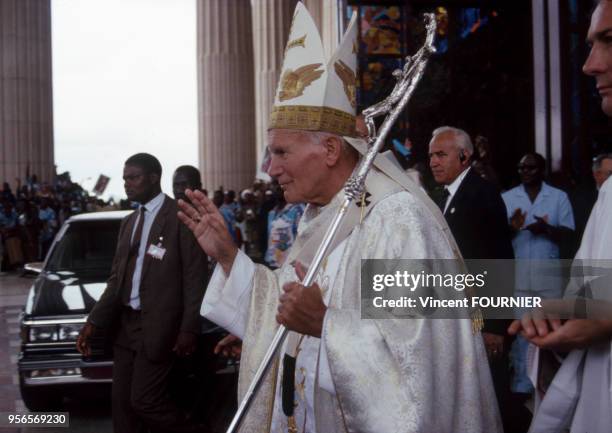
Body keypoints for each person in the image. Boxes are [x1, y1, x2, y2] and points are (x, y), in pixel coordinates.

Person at [178, 4, 501, 433]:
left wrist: (324, 324)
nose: (271, 169)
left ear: (330, 150)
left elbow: (422, 370)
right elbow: (287, 303)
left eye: (280, 153)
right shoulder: (326, 218)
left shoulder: (396, 223)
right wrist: (228, 258)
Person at [508, 2, 612, 432]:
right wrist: (570, 312)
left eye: (609, 40)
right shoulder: (610, 194)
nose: (589, 65)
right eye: (590, 45)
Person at [76, 153, 207, 433]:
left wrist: (189, 329)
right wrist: (93, 322)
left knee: (145, 401)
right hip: (125, 329)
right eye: (124, 179)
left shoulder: (181, 217)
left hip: (160, 329)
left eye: (133, 178)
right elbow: (116, 281)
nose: (127, 184)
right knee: (122, 409)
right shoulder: (128, 223)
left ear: (153, 178)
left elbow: (196, 279)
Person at [428, 126, 521, 432]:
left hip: (482, 317)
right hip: (455, 316)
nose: (433, 162)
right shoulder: (444, 196)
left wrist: (495, 326)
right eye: (431, 156)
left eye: (441, 154)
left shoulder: (482, 193)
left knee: (493, 393)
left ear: (464, 156)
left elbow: (498, 259)